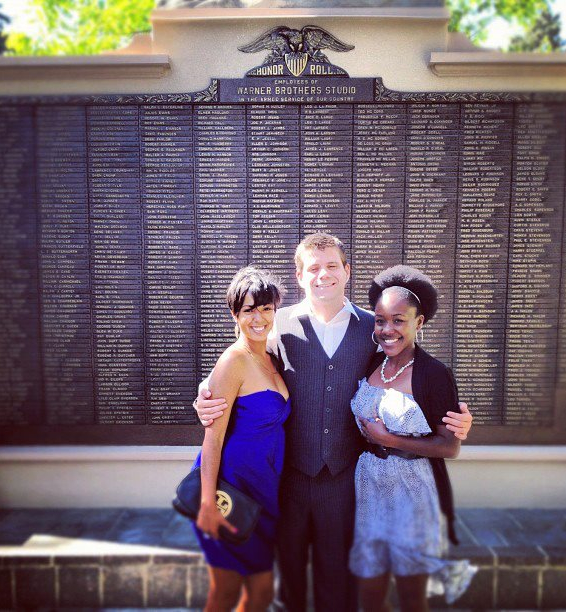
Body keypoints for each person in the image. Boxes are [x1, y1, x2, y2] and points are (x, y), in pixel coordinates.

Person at [195, 233, 473, 612]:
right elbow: (248, 365)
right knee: (288, 577)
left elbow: (408, 369)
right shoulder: (279, 326)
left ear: (346, 272)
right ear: (299, 276)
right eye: (313, 268)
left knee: (337, 580)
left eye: (331, 266)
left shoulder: (372, 329)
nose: (322, 275)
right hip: (288, 477)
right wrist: (206, 394)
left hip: (344, 478)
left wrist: (457, 420)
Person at [352, 265, 476, 611]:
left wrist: (391, 440)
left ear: (418, 322)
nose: (387, 329)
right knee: (370, 591)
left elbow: (449, 446)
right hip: (368, 485)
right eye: (379, 320)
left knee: (411, 595)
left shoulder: (434, 374)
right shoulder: (370, 364)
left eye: (398, 320)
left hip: (413, 489)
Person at [192, 266, 291, 612]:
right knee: (225, 591)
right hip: (228, 493)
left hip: (264, 494)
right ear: (235, 314)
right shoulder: (232, 361)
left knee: (261, 593)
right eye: (249, 309)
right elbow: (213, 440)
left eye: (266, 308)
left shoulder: (274, 357)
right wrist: (206, 503)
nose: (259, 317)